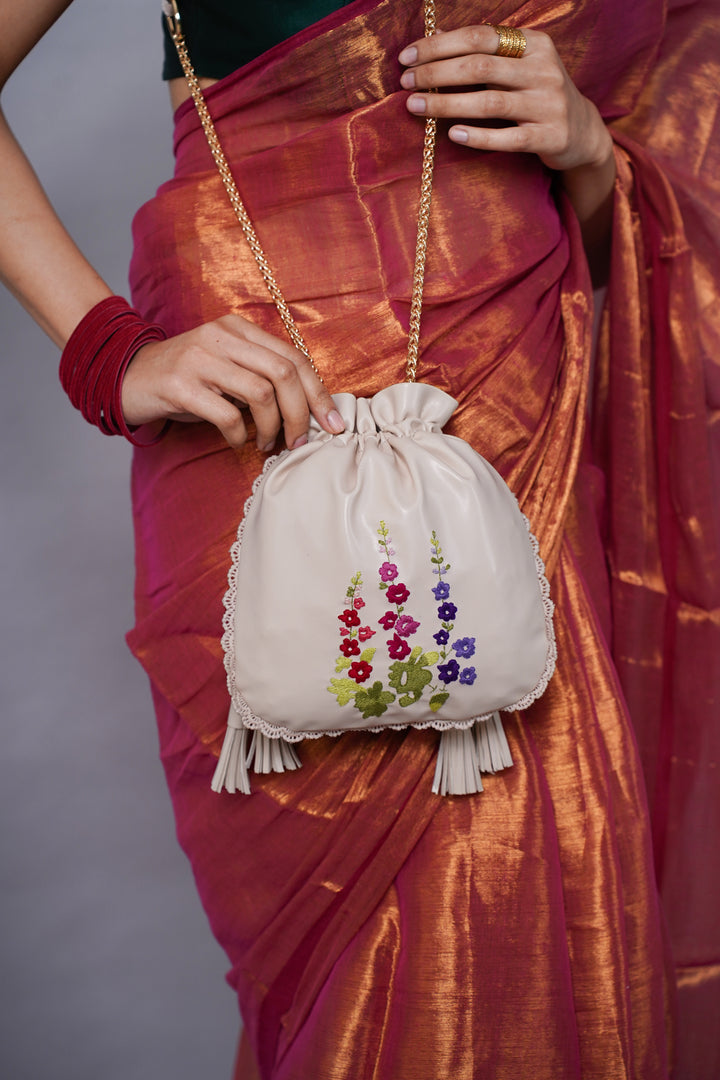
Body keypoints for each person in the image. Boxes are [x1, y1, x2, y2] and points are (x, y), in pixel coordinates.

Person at [1, 1, 718, 1078]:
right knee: (357, 970)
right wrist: (106, 351)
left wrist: (587, 153)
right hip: (259, 421)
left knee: (528, 898)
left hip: (512, 424)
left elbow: (655, 209)